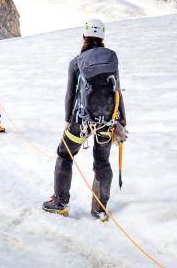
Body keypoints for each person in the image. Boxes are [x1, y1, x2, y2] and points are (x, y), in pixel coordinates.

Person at [43, 19, 127, 219]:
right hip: (107, 122)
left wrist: (67, 120)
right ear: (102, 37)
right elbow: (117, 92)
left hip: (81, 123)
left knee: (65, 154)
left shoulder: (77, 62)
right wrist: (122, 119)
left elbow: (70, 95)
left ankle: (60, 202)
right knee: (102, 162)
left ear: (84, 36)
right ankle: (99, 209)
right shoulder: (111, 61)